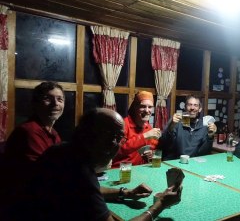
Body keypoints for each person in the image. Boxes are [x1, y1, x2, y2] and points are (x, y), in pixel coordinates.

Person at [11, 108, 181, 221]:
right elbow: (86, 185)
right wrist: (159, 205)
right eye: (109, 136)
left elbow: (90, 188)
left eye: (119, 138)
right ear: (87, 133)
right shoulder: (78, 169)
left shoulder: (64, 151)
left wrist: (125, 192)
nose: (115, 144)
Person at [0, 81, 65, 216]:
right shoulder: (28, 131)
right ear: (35, 104)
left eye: (60, 99)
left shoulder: (53, 134)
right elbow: (46, 175)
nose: (56, 104)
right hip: (26, 207)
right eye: (48, 99)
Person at [158, 95, 217, 160]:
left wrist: (210, 136)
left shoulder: (204, 126)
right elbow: (163, 144)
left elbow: (205, 152)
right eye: (189, 105)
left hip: (193, 163)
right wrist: (171, 127)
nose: (192, 108)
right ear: (185, 107)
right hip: (174, 162)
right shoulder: (176, 122)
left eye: (196, 105)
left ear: (200, 109)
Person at [112, 91, 161, 168]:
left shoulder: (149, 128)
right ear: (135, 107)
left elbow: (152, 148)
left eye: (150, 107)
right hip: (120, 170)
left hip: (139, 170)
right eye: (143, 106)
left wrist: (151, 154)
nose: (147, 110)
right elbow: (117, 151)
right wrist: (144, 136)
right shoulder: (123, 124)